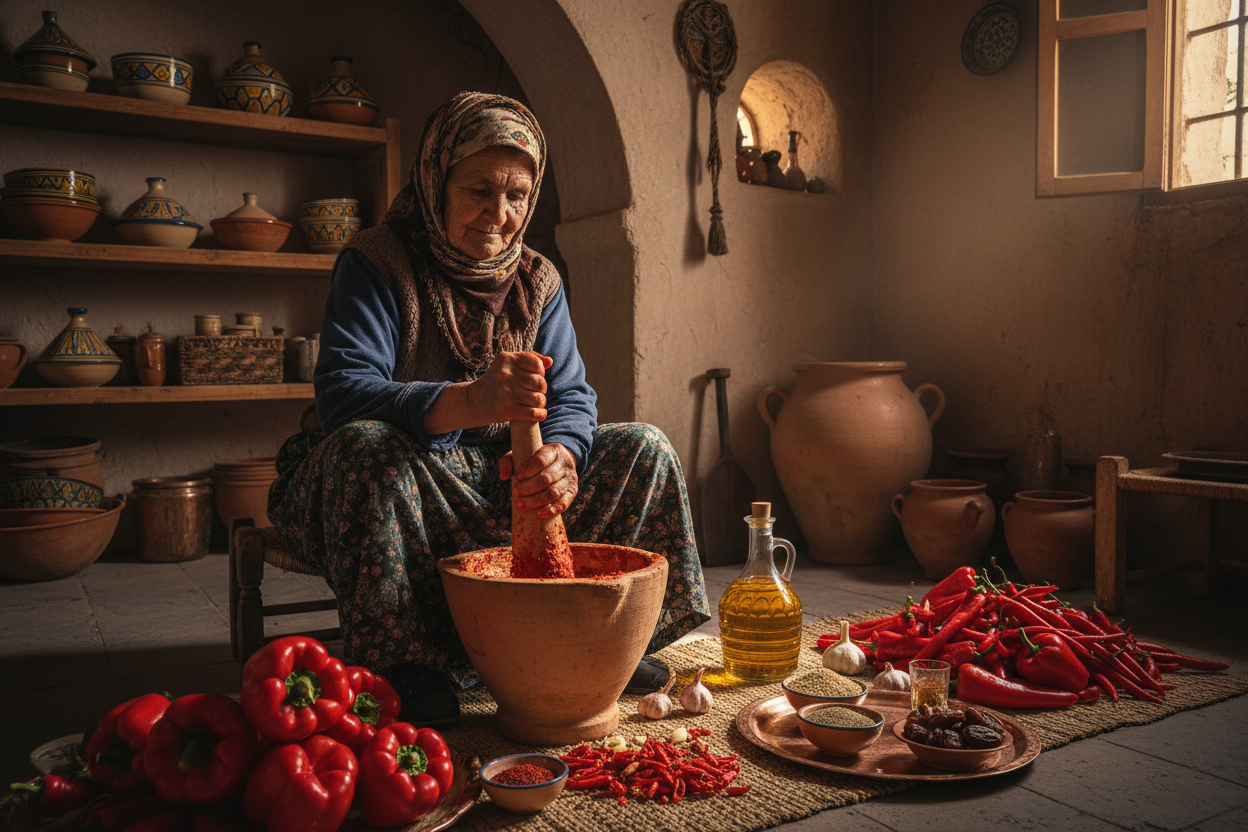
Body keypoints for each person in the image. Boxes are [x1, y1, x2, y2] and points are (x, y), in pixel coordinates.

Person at [268, 92, 709, 726]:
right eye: (478, 190)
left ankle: (606, 637)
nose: (499, 215)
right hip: (406, 481)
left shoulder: (538, 279)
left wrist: (563, 456)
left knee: (646, 446)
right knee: (365, 448)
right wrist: (470, 401)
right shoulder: (376, 261)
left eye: (517, 196)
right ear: (436, 181)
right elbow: (343, 394)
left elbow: (571, 395)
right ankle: (407, 666)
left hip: (504, 481)